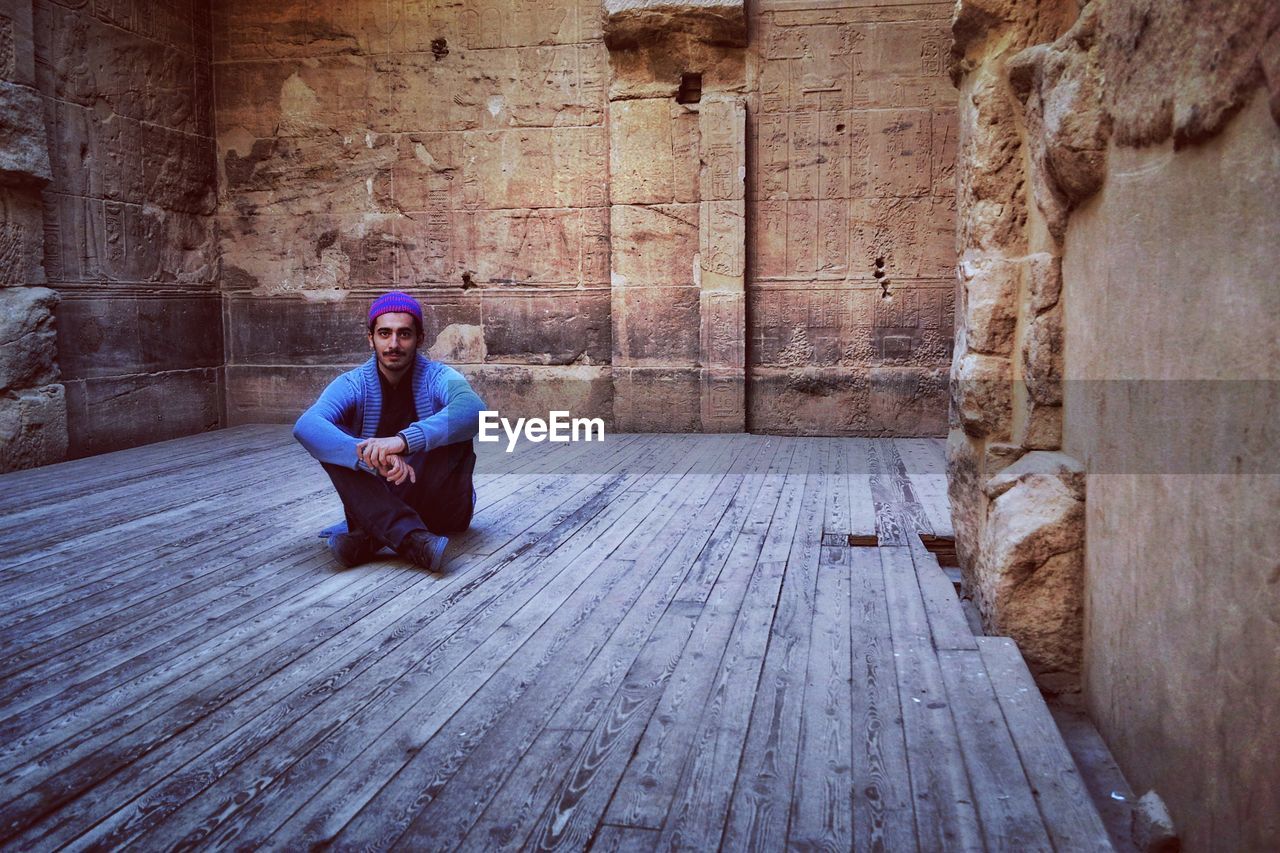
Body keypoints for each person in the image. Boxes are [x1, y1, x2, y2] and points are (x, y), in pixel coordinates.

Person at [292, 291, 485, 572]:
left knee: (454, 427)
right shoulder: (354, 383)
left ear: (419, 338)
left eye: (404, 334)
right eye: (384, 333)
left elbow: (475, 410)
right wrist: (370, 456)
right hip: (382, 496)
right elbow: (307, 426)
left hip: (443, 507)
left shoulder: (439, 377)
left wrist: (402, 442)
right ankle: (411, 540)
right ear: (371, 338)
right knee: (333, 439)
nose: (394, 344)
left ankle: (369, 538)